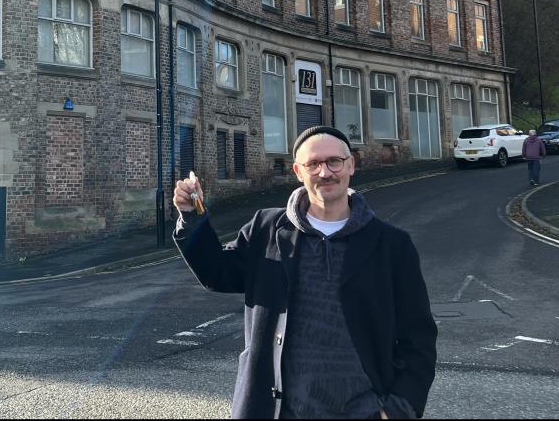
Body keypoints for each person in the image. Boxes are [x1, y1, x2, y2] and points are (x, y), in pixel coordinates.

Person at [172, 126, 437, 419]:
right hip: (277, 410)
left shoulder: (391, 244)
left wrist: (400, 408)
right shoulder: (266, 228)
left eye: (334, 161)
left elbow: (418, 336)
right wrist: (192, 218)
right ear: (298, 171)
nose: (325, 172)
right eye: (313, 164)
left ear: (351, 165)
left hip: (363, 411)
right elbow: (217, 273)